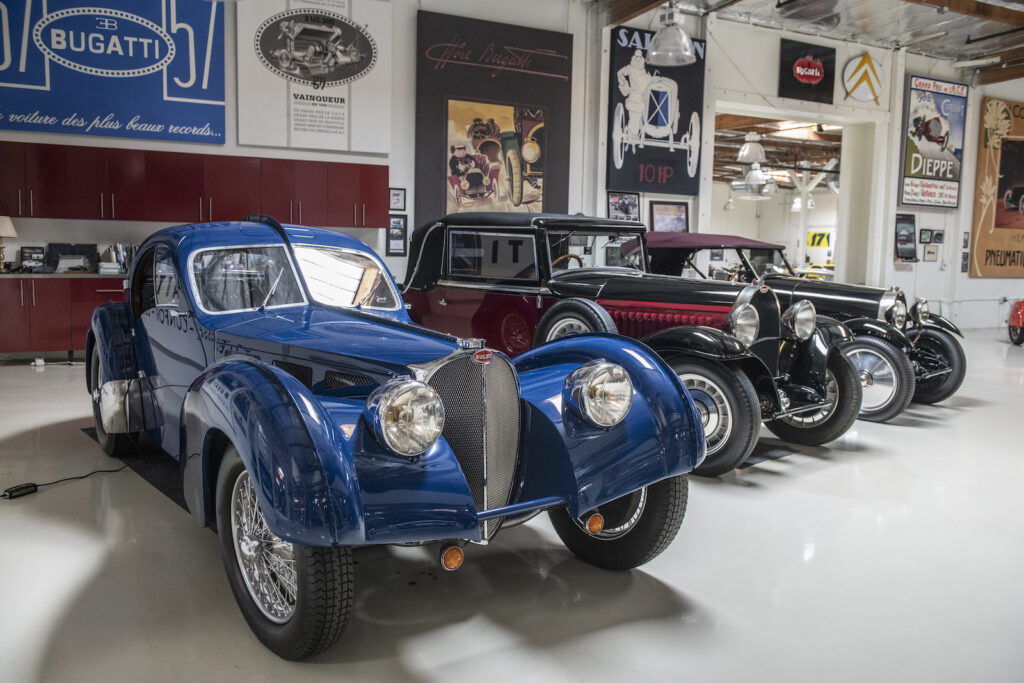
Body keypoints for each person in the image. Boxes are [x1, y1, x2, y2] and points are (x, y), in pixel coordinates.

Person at [617, 49, 653, 139]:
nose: (638, 59)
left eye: (640, 57)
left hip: (641, 98)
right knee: (633, 117)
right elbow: (620, 73)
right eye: (636, 57)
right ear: (634, 57)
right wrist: (625, 85)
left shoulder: (643, 70)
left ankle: (635, 136)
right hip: (633, 96)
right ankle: (631, 135)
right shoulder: (630, 68)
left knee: (639, 118)